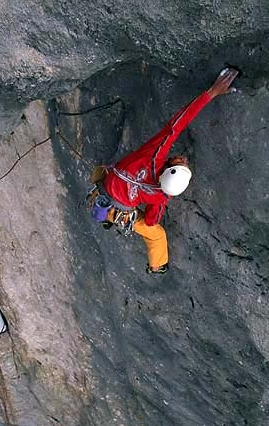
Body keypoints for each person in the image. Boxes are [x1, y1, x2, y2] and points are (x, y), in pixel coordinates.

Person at [89, 67, 239, 274]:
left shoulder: (153, 156)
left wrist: (211, 93)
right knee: (156, 233)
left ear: (168, 168)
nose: (183, 158)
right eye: (184, 163)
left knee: (104, 170)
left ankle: (106, 216)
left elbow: (176, 125)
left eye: (180, 162)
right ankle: (157, 265)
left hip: (102, 188)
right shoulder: (160, 196)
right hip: (120, 210)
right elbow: (151, 220)